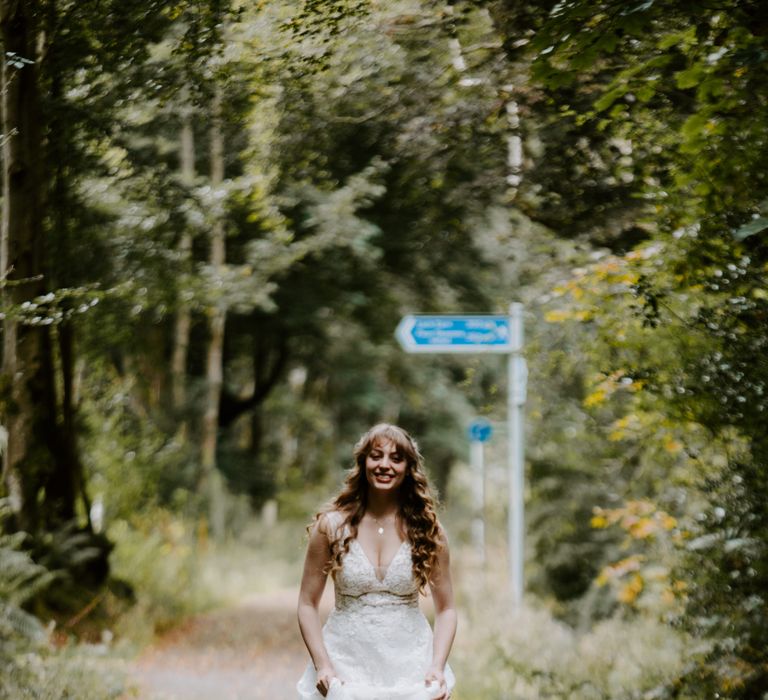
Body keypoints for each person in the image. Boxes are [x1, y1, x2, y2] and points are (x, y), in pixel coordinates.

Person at [296, 423, 457, 700]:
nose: (385, 465)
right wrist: (323, 665)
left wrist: (437, 666)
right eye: (376, 455)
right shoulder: (331, 526)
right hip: (345, 669)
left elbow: (446, 610)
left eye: (396, 458)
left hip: (411, 671)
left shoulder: (429, 530)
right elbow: (307, 604)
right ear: (363, 462)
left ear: (409, 467)